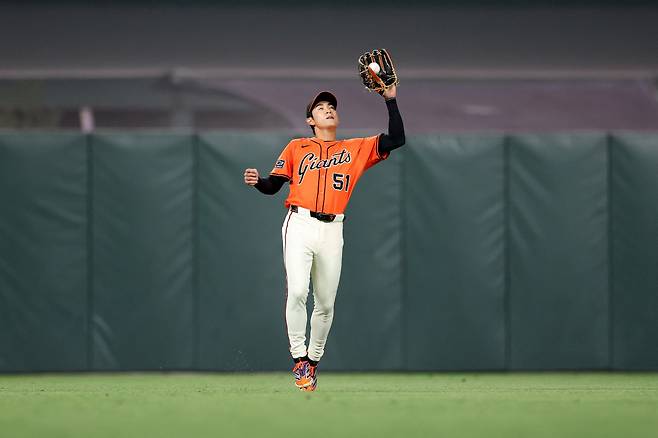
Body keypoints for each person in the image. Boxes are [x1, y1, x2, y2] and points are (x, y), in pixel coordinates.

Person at [243, 86, 405, 391]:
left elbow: (397, 139)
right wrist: (257, 182)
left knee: (326, 303)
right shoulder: (297, 148)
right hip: (300, 222)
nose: (328, 109)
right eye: (320, 108)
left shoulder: (356, 149)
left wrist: (390, 99)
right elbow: (273, 186)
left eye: (331, 106)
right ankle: (298, 360)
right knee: (297, 292)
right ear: (310, 120)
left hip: (333, 228)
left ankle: (313, 363)